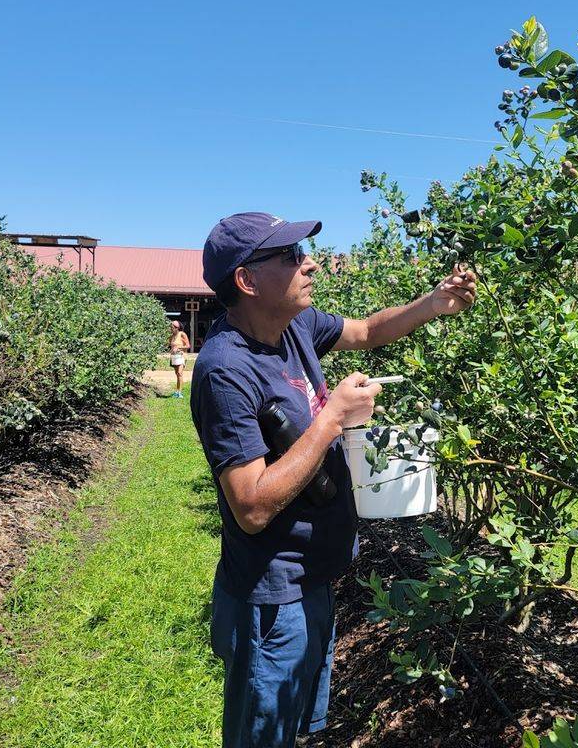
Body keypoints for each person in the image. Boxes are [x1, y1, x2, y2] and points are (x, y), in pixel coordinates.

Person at [190, 212, 476, 748]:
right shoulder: (225, 370)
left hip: (312, 579)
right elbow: (250, 506)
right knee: (262, 735)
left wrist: (433, 303)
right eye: (290, 256)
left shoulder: (294, 326)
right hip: (271, 597)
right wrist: (331, 419)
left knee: (294, 729)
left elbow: (368, 331)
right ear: (247, 281)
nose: (310, 261)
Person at [168, 320, 191, 398]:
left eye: (172, 327)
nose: (170, 328)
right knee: (177, 374)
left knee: (180, 373)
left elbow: (188, 346)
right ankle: (177, 391)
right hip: (174, 357)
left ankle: (180, 392)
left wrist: (178, 347)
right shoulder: (172, 336)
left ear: (176, 328)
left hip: (181, 356)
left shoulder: (182, 334)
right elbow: (170, 345)